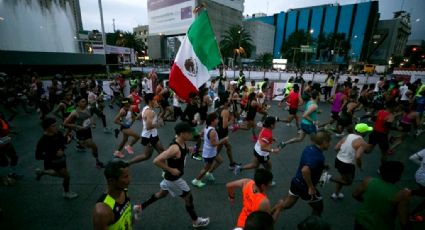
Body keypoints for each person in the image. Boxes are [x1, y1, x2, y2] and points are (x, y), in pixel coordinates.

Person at [133, 122, 210, 228]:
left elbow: (182, 151)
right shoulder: (175, 148)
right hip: (174, 179)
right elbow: (156, 160)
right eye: (189, 133)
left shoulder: (182, 142)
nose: (191, 135)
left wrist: (189, 150)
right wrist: (171, 170)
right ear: (182, 134)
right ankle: (195, 221)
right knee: (188, 197)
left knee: (161, 194)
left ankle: (140, 207)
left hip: (169, 179)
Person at [272, 131, 332, 220]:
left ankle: (268, 213)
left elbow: (308, 163)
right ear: (324, 142)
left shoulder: (309, 148)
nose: (330, 144)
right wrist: (311, 187)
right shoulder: (318, 157)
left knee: (287, 205)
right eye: (329, 142)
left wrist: (322, 166)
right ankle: (312, 225)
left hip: (296, 182)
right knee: (318, 208)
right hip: (305, 187)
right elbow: (305, 170)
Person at [353, 161, 411, 230]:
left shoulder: (368, 181)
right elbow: (404, 222)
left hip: (360, 222)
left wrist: (371, 203)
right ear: (398, 176)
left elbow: (355, 195)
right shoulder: (402, 194)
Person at [35, 117, 78, 199]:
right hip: (52, 162)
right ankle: (66, 192)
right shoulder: (43, 141)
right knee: (67, 176)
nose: (56, 127)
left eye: (56, 125)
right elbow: (38, 156)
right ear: (47, 128)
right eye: (53, 126)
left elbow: (64, 141)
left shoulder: (58, 133)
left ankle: (42, 172)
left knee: (63, 175)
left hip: (62, 160)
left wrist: (69, 138)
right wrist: (54, 154)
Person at [330, 123, 373, 200]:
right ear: (364, 133)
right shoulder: (362, 143)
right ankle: (328, 177)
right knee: (348, 182)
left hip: (338, 160)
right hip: (347, 164)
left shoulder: (348, 136)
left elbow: (336, 148)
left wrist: (343, 155)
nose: (367, 132)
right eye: (367, 131)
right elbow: (358, 156)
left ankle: (336, 194)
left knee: (342, 178)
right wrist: (360, 166)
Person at [234, 117, 280, 182]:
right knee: (269, 167)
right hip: (262, 154)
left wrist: (271, 139)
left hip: (256, 150)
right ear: (271, 125)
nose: (276, 124)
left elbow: (263, 137)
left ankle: (240, 168)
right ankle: (267, 181)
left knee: (255, 165)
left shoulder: (264, 128)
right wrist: (273, 150)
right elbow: (263, 148)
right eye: (275, 123)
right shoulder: (268, 134)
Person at [64, 96, 104, 168]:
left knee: (93, 147)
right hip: (80, 131)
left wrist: (93, 123)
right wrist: (77, 126)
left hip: (88, 130)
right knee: (89, 145)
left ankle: (97, 161)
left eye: (85, 101)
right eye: (82, 101)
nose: (85, 102)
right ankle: (74, 138)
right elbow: (65, 123)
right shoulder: (74, 112)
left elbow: (91, 117)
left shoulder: (87, 108)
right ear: (78, 103)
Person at [93, 160, 133, 229]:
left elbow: (127, 218)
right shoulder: (102, 212)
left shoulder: (124, 190)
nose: (130, 179)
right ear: (111, 180)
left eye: (128, 175)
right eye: (125, 177)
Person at [191, 113, 228, 188]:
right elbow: (214, 144)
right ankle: (196, 180)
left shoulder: (206, 127)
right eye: (216, 119)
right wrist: (223, 140)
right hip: (209, 153)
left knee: (220, 161)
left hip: (210, 151)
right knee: (205, 168)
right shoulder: (212, 131)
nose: (218, 120)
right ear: (212, 121)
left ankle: (209, 173)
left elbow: (201, 134)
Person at [128, 93, 164, 165]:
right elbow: (148, 127)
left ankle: (166, 170)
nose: (157, 101)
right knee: (146, 156)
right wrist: (159, 123)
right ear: (151, 101)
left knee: (162, 152)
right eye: (155, 100)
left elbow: (138, 117)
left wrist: (144, 119)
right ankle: (127, 163)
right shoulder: (149, 112)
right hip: (149, 137)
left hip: (153, 135)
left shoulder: (145, 108)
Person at [408, 149, 425, 222]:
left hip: (418, 176)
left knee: (423, 192)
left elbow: (412, 158)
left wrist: (422, 165)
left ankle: (408, 192)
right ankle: (412, 215)